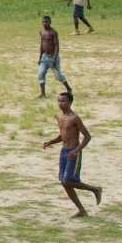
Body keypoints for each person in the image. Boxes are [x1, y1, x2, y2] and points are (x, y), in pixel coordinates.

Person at [42, 89, 103, 217]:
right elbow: (63, 135)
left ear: (70, 102)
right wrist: (50, 142)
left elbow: (87, 136)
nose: (60, 103)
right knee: (64, 182)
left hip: (73, 152)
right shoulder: (59, 117)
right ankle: (82, 210)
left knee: (68, 181)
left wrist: (76, 151)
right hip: (64, 152)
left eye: (63, 101)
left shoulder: (75, 118)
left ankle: (95, 189)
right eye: (59, 101)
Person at [36, 16, 68, 98]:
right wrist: (40, 58)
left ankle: (68, 88)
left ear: (50, 22)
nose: (44, 23)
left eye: (46, 22)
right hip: (44, 57)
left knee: (58, 76)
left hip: (53, 57)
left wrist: (54, 59)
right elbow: (42, 45)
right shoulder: (41, 32)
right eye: (43, 22)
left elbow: (57, 46)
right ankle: (43, 94)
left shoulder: (53, 32)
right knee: (40, 73)